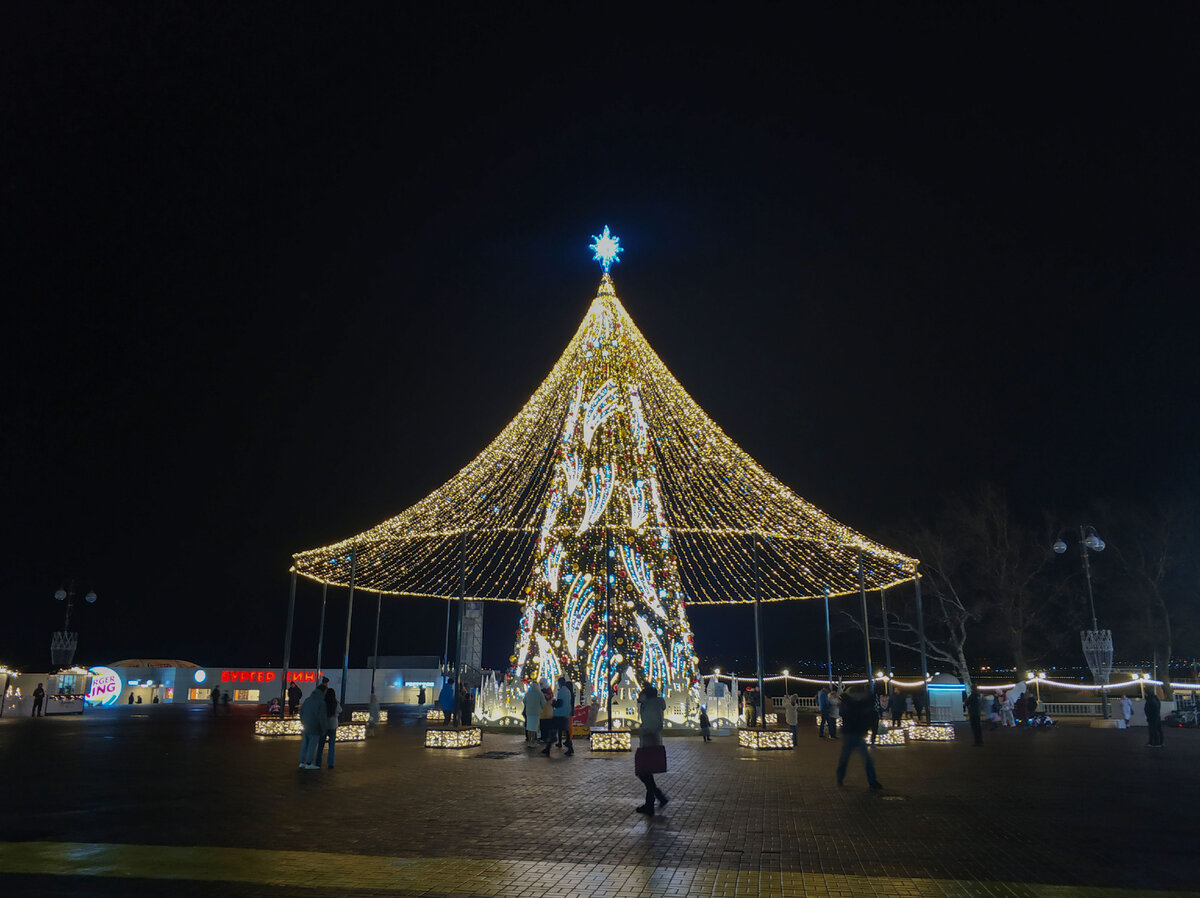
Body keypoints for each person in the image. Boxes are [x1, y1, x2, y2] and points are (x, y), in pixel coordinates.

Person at [835, 685, 882, 790]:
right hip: (853, 733)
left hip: (850, 733)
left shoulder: (846, 702)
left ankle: (840, 777)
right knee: (866, 759)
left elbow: (843, 713)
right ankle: (872, 782)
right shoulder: (856, 704)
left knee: (845, 758)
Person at [634, 684, 669, 815]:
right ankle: (656, 799)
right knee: (645, 773)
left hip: (650, 741)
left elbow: (653, 724)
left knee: (644, 773)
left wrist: (645, 731)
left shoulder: (651, 706)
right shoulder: (650, 705)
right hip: (650, 740)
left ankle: (652, 802)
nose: (639, 695)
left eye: (642, 693)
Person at [543, 676, 574, 756]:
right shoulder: (568, 691)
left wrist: (554, 704)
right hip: (566, 713)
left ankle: (548, 747)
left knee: (553, 730)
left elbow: (559, 703)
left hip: (559, 714)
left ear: (560, 683)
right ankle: (570, 748)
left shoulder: (561, 691)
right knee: (566, 731)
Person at [298, 684, 326, 769]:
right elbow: (322, 717)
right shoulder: (321, 702)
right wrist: (323, 729)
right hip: (315, 727)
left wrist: (303, 722)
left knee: (304, 744)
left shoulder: (307, 700)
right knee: (312, 745)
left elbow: (301, 713)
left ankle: (301, 762)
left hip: (306, 725)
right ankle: (309, 763)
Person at [315, 683, 340, 768]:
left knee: (321, 745)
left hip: (324, 725)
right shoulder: (336, 702)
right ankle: (331, 763)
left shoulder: (323, 702)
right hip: (333, 725)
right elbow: (340, 710)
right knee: (331, 746)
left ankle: (318, 762)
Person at [523, 679, 546, 745]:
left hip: (529, 713)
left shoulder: (528, 693)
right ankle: (533, 741)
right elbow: (543, 703)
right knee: (534, 728)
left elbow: (524, 701)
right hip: (536, 713)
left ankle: (530, 741)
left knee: (529, 728)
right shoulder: (540, 694)